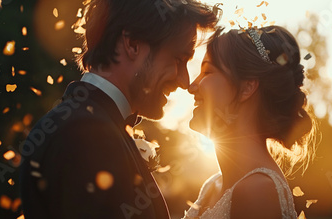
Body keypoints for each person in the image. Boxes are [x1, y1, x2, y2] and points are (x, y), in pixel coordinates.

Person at [19, 0, 218, 218]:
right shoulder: (85, 135)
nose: (183, 80)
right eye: (179, 60)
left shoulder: (83, 123)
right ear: (132, 44)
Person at [183, 26, 317, 219]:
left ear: (247, 87)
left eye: (208, 72)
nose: (192, 86)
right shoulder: (212, 186)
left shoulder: (258, 191)